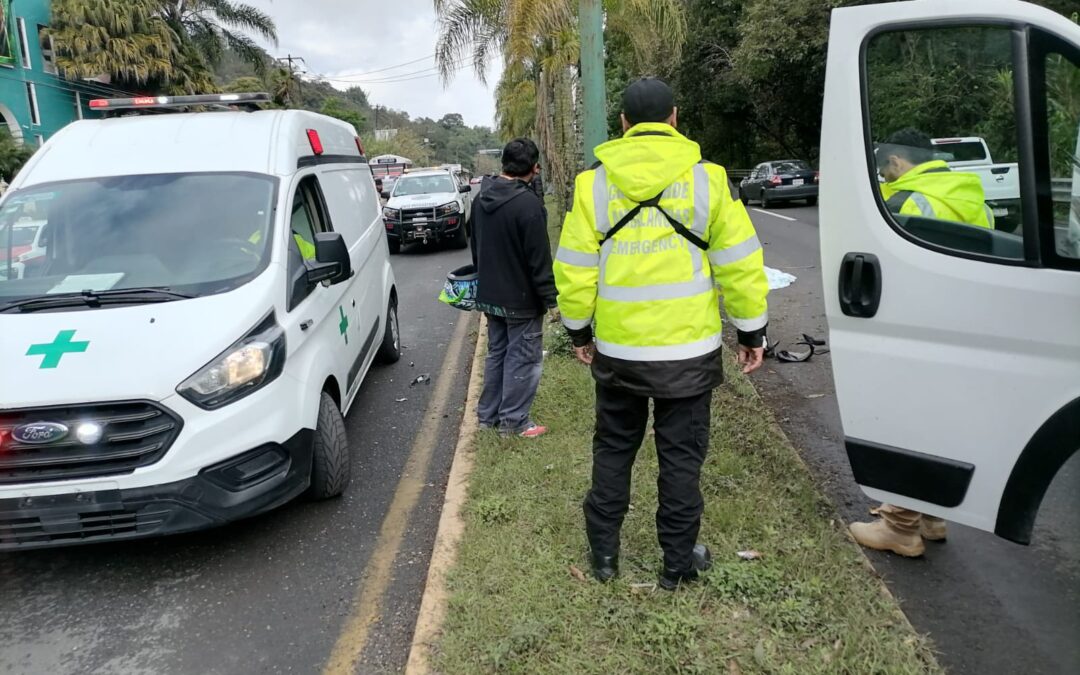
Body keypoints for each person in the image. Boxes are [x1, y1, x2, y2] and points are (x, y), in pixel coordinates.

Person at [554, 78, 769, 590]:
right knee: (680, 460)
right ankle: (677, 563)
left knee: (613, 451)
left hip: (620, 353)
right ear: (674, 117)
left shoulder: (593, 184)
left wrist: (579, 331)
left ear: (623, 124)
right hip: (689, 354)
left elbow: (575, 268)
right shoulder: (710, 180)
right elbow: (739, 263)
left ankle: (604, 558)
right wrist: (751, 331)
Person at [850, 127, 995, 557]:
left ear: (897, 163)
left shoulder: (906, 200)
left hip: (919, 327)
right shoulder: (973, 196)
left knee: (907, 423)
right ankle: (932, 515)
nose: (886, 179)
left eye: (886, 171)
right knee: (943, 422)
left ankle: (901, 527)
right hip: (970, 329)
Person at [471, 138, 558, 438]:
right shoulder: (528, 205)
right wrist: (551, 300)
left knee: (497, 354)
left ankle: (488, 418)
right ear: (534, 168)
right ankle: (514, 422)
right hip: (521, 300)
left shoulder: (479, 200)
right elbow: (539, 261)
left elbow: (476, 249)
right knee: (522, 357)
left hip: (490, 296)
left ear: (504, 164)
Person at [876, 128, 993, 228]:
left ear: (895, 162)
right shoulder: (980, 204)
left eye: (883, 174)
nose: (885, 181)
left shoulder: (900, 206)